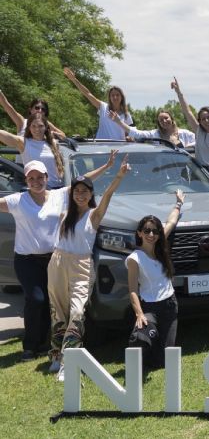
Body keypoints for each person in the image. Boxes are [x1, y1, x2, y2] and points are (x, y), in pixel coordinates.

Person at [0, 155, 119, 362]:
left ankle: (56, 348)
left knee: (62, 306)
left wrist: (107, 167)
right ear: (26, 181)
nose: (36, 181)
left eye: (40, 177)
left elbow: (84, 182)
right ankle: (32, 346)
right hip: (28, 259)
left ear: (47, 177)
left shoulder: (60, 196)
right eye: (31, 178)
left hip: (54, 258)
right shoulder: (18, 200)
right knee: (38, 300)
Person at [48, 154, 130, 381]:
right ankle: (56, 356)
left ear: (91, 194)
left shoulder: (95, 215)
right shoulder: (65, 212)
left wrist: (118, 175)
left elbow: (109, 195)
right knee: (58, 311)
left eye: (85, 191)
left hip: (82, 265)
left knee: (76, 311)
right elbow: (74, 186)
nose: (80, 194)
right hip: (57, 262)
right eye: (77, 191)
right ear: (72, 194)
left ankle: (69, 362)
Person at [126, 190, 185, 369]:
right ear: (140, 233)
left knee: (164, 361)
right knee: (141, 337)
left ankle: (157, 353)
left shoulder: (160, 247)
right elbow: (133, 290)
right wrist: (139, 314)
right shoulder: (135, 258)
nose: (152, 234)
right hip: (150, 308)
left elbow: (172, 221)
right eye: (147, 231)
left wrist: (179, 203)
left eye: (155, 231)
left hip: (170, 305)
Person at [63, 67, 133, 141]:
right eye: (112, 95)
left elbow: (129, 134)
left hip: (118, 148)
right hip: (101, 146)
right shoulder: (103, 107)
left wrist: (130, 138)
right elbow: (87, 94)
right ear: (109, 97)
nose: (115, 97)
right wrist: (74, 79)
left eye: (117, 95)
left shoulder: (126, 114)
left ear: (121, 97)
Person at [0, 112, 65, 188]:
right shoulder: (24, 143)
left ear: (46, 127)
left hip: (58, 188)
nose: (37, 129)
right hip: (37, 190)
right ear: (29, 128)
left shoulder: (53, 142)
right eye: (33, 126)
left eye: (40, 126)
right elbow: (3, 135)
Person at [110, 109, 196, 148]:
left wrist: (186, 147)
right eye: (161, 120)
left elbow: (199, 142)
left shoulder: (185, 133)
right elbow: (137, 134)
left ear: (172, 119)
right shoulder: (155, 134)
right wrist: (119, 122)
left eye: (166, 118)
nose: (164, 121)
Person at [0, 90, 66, 138]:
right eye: (37, 108)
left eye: (43, 109)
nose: (40, 110)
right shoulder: (22, 122)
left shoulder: (47, 124)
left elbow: (63, 136)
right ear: (31, 109)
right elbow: (6, 104)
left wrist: (49, 134)